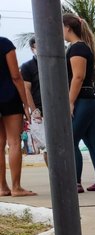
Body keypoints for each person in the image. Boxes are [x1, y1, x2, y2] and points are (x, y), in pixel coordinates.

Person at [63, 14, 95, 192]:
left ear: (68, 28)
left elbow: (78, 77)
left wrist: (70, 102)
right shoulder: (81, 47)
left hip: (84, 101)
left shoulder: (78, 49)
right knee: (92, 143)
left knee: (71, 142)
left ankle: (76, 183)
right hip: (92, 101)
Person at [0, 34, 35, 197]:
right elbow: (16, 76)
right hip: (8, 97)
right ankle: (16, 187)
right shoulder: (4, 43)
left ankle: (2, 187)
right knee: (14, 142)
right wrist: (25, 104)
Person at [20, 37, 46, 164]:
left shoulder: (56, 62)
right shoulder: (27, 67)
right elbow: (26, 90)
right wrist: (34, 110)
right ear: (32, 49)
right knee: (47, 148)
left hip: (58, 109)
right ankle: (55, 178)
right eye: (37, 46)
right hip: (40, 111)